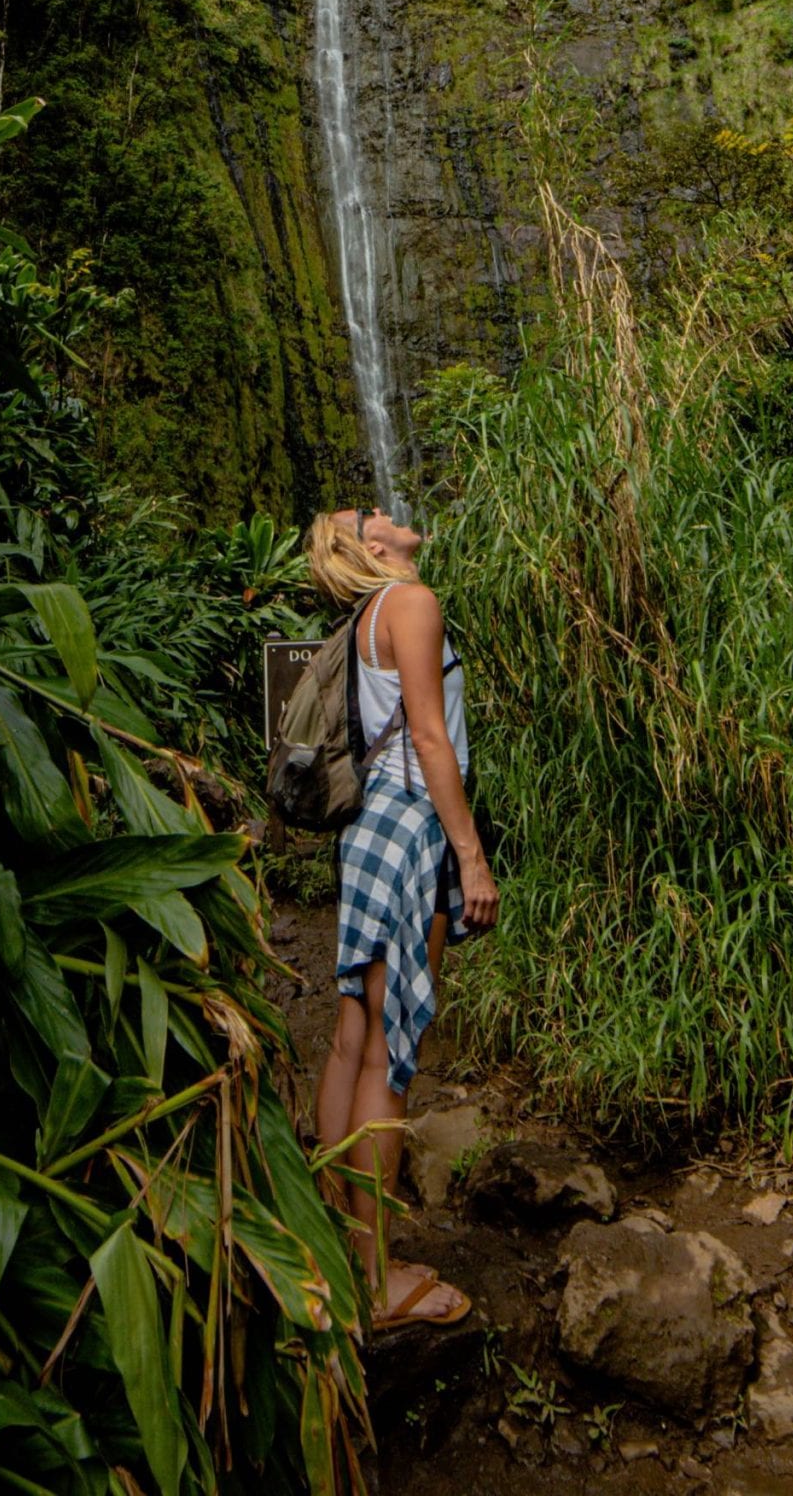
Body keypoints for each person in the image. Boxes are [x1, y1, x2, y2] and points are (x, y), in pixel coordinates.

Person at [307, 504, 498, 1329]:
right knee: (387, 1052)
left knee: (353, 1037)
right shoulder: (412, 604)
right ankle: (376, 1279)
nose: (387, 509)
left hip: (367, 828)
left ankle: (332, 1250)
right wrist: (471, 854)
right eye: (369, 515)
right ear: (370, 547)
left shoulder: (365, 619)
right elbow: (429, 734)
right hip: (410, 821)